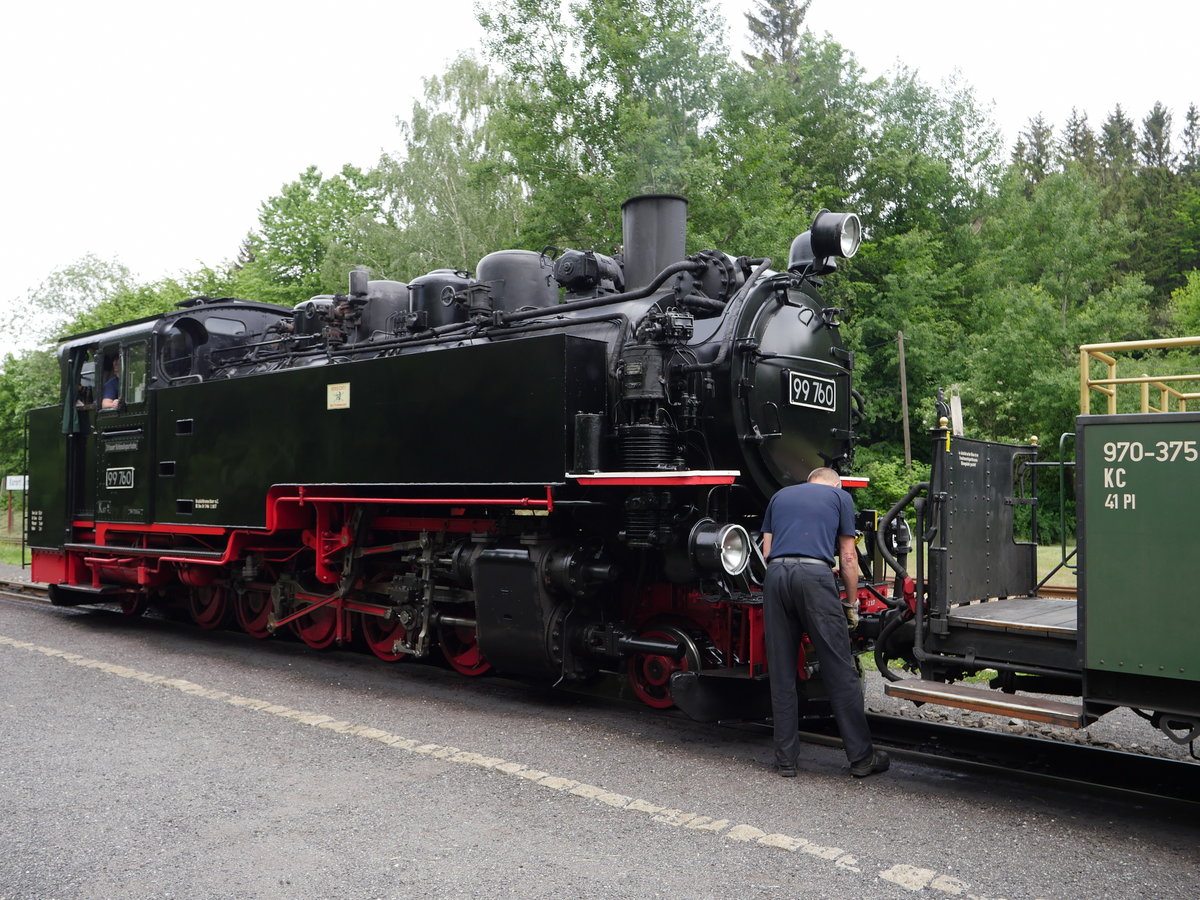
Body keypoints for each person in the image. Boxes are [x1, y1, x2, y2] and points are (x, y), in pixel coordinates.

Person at [760, 467, 889, 778]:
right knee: (838, 667)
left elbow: (766, 551)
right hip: (814, 576)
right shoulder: (839, 496)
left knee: (781, 670)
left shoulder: (779, 496)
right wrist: (851, 601)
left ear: (809, 480)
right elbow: (847, 556)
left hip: (775, 576)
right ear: (836, 483)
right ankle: (861, 759)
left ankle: (786, 760)